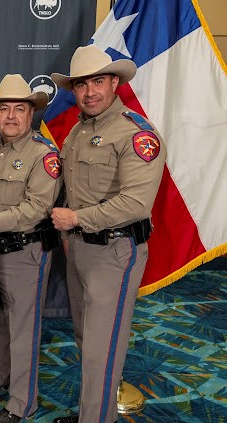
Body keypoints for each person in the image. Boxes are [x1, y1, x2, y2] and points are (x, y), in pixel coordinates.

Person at [49, 44, 167, 423]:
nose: (89, 92)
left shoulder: (137, 133)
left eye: (98, 81)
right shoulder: (77, 131)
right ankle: (92, 412)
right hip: (79, 249)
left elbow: (135, 204)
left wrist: (76, 220)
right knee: (87, 340)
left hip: (114, 252)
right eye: (81, 85)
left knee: (103, 346)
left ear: (114, 82)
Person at [0, 74, 62, 423]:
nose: (10, 116)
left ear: (31, 112)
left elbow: (37, 208)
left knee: (23, 330)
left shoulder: (43, 154)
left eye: (18, 109)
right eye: (3, 108)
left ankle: (22, 402)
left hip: (26, 252)